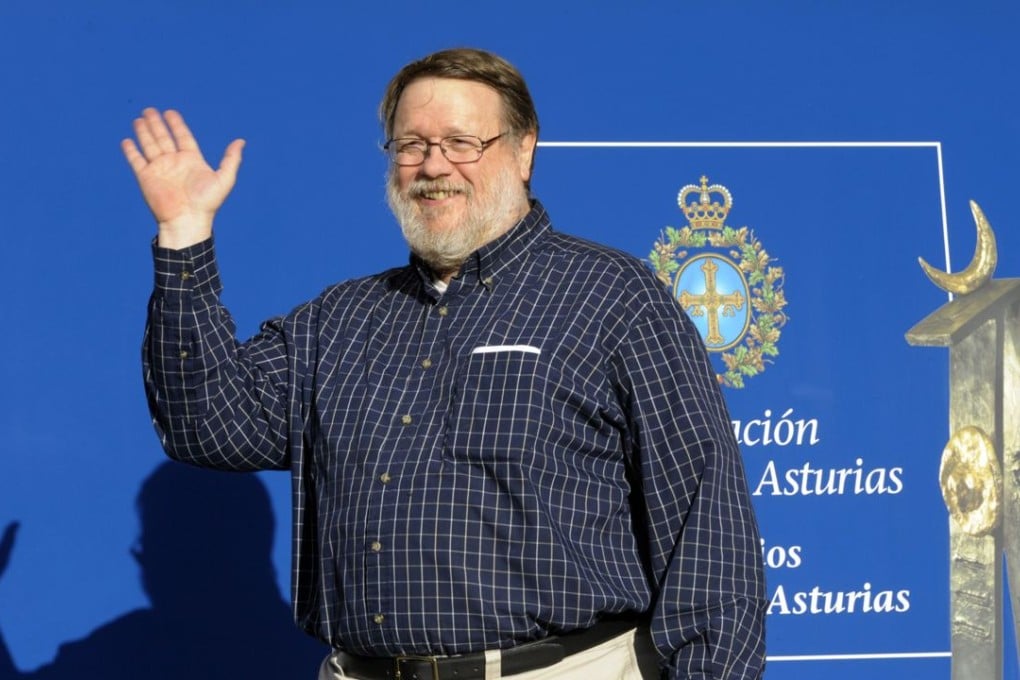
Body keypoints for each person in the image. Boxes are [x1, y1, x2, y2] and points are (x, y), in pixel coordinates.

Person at [122, 47, 766, 679]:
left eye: (462, 142)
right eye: (411, 145)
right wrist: (184, 233)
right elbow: (208, 426)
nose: (434, 166)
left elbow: (706, 530)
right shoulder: (339, 319)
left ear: (523, 151)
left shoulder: (612, 298)